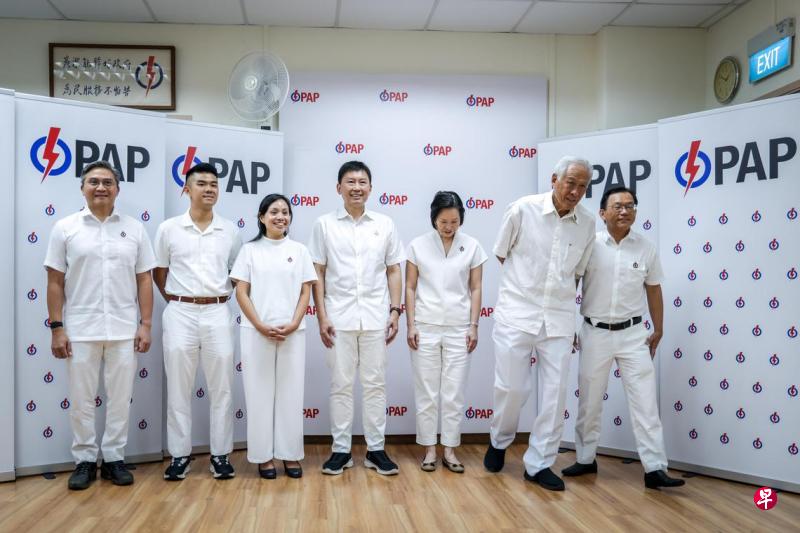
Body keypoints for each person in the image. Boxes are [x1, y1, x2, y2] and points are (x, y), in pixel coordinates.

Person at [484, 155, 595, 491]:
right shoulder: (522, 209)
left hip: (558, 318)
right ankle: (499, 440)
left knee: (555, 395)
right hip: (517, 312)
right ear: (554, 179)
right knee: (511, 388)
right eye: (570, 183)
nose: (575, 191)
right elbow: (501, 253)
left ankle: (539, 463)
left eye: (583, 186)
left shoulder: (588, 223)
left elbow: (577, 273)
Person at [562, 186, 685, 490]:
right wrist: (567, 325)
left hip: (633, 335)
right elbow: (570, 286)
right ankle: (585, 459)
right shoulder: (589, 245)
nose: (624, 211)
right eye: (617, 206)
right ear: (602, 213)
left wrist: (659, 328)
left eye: (630, 206)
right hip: (594, 332)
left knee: (645, 403)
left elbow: (654, 289)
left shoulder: (645, 247)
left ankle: (655, 468)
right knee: (589, 401)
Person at [44, 160, 155, 490]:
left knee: (120, 399)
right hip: (80, 328)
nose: (101, 187)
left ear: (118, 190)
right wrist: (57, 327)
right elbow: (54, 281)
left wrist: (146, 324)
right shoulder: (65, 228)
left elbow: (144, 279)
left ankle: (114, 458)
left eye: (108, 182)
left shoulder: (134, 229)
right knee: (81, 400)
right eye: (94, 181)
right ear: (82, 188)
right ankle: (84, 460)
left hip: (123, 329)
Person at [308, 160, 405, 476]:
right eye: (350, 182)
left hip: (376, 317)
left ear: (371, 188)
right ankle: (341, 450)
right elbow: (318, 272)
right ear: (339, 188)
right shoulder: (324, 225)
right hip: (338, 317)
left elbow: (393, 269)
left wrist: (395, 310)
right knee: (341, 385)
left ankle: (376, 449)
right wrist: (321, 316)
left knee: (375, 384)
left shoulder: (385, 224)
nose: (356, 187)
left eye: (362, 182)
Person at [154, 162, 242, 481]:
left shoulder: (230, 230)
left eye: (214, 184)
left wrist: (214, 298)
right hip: (180, 311)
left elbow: (237, 273)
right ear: (186, 189)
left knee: (222, 388)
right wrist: (179, 300)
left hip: (218, 311)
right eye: (202, 183)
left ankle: (221, 455)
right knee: (179, 388)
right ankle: (180, 455)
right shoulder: (168, 229)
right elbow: (159, 271)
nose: (209, 189)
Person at [231, 194, 316, 479]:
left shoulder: (299, 250)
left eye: (285, 212)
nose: (280, 217)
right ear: (261, 217)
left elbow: (306, 290)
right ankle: (263, 457)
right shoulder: (250, 250)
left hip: (293, 333)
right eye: (274, 212)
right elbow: (241, 291)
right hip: (256, 333)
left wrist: (294, 323)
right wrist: (259, 324)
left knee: (291, 394)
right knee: (259, 395)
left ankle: (290, 455)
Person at [405, 191, 487, 473]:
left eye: (454, 221)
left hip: (459, 328)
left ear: (461, 219)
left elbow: (476, 287)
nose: (449, 227)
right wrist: (411, 325)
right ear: (433, 219)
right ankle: (429, 449)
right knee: (427, 392)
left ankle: (450, 449)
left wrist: (474, 325)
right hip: (425, 327)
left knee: (453, 393)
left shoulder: (472, 246)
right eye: (443, 221)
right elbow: (410, 287)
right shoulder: (417, 246)